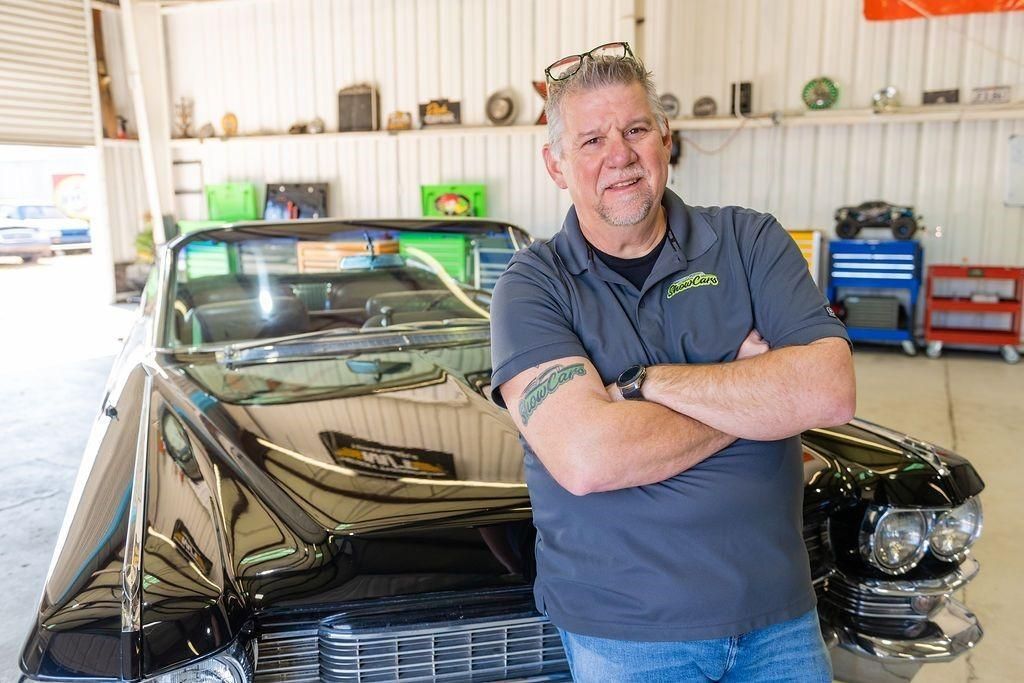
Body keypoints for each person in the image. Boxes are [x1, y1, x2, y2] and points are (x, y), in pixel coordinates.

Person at [488, 42, 856, 682]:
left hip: (779, 617)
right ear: (555, 164)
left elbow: (828, 393)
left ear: (665, 137)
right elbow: (586, 457)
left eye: (635, 130)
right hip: (626, 634)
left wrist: (641, 386)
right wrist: (753, 393)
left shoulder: (749, 241)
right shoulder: (532, 286)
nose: (619, 156)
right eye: (592, 140)